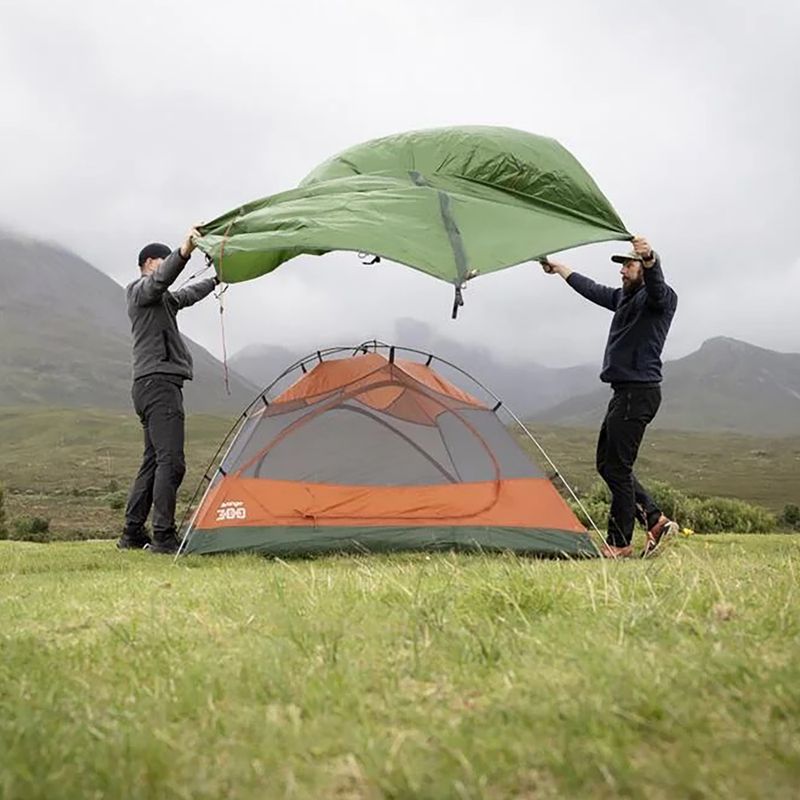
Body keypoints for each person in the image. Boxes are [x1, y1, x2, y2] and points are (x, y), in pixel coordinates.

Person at [541, 236, 679, 558]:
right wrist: (561, 268)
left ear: (642, 267)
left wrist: (650, 258)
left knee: (618, 468)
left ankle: (618, 544)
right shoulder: (624, 298)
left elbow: (657, 286)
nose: (621, 271)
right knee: (607, 464)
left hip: (638, 393)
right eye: (622, 266)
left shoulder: (659, 298)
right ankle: (656, 521)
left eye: (627, 265)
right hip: (624, 393)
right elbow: (592, 289)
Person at [117, 228, 219, 554]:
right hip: (158, 385)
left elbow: (186, 294)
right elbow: (161, 280)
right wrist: (185, 250)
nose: (166, 268)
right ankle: (163, 537)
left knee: (153, 462)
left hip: (151, 385)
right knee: (171, 462)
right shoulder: (139, 291)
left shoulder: (161, 301)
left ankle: (133, 533)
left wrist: (217, 278)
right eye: (162, 262)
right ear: (149, 263)